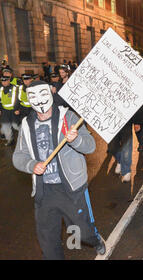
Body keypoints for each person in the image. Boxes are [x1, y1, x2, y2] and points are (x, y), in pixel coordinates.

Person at [12, 81, 105, 259]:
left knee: (82, 232)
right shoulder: (26, 124)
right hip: (44, 192)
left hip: (71, 189)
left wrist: (75, 139)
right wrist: (32, 165)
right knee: (48, 242)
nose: (39, 101)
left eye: (42, 94)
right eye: (33, 96)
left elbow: (90, 146)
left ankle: (95, 239)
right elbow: (18, 156)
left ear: (51, 93)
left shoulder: (68, 117)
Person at [0, 75, 19, 146]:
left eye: (5, 81)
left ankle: (25, 136)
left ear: (9, 80)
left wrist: (17, 109)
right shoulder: (1, 89)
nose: (4, 82)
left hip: (14, 111)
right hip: (5, 111)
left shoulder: (15, 88)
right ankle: (10, 140)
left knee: (16, 126)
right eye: (2, 81)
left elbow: (18, 100)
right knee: (5, 126)